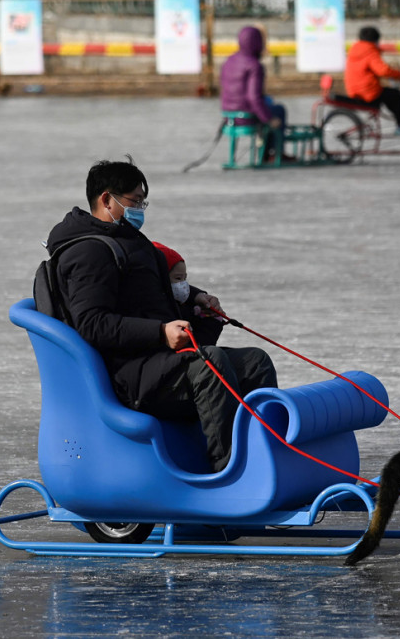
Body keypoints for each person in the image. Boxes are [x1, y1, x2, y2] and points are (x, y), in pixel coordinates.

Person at [46, 158, 278, 472]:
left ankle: (266, 457)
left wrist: (195, 297)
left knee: (254, 361)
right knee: (211, 365)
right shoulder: (89, 253)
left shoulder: (127, 240)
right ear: (106, 199)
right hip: (130, 373)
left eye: (143, 201)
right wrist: (160, 332)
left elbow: (152, 286)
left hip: (158, 363)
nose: (140, 208)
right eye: (134, 201)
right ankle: (228, 473)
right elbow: (92, 324)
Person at [219, 26, 290, 162]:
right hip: (246, 116)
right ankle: (275, 153)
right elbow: (254, 98)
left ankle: (268, 152)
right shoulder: (254, 65)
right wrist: (269, 119)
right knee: (278, 110)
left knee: (268, 102)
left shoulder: (229, 61)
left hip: (229, 116)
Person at [344, 26, 400, 140]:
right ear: (376, 40)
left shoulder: (355, 49)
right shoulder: (369, 50)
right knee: (396, 95)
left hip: (355, 91)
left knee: (389, 95)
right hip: (367, 94)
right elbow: (382, 70)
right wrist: (399, 75)